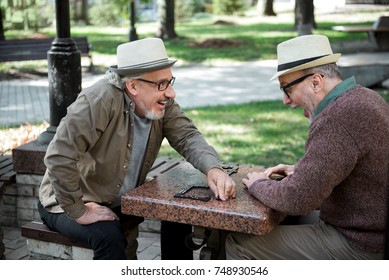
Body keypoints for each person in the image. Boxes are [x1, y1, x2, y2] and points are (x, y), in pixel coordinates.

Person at [38, 38, 236, 260]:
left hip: (116, 199)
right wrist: (79, 211)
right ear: (132, 86)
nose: (171, 93)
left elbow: (188, 136)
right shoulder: (99, 100)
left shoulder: (163, 103)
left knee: (178, 210)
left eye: (170, 81)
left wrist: (213, 168)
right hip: (64, 203)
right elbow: (58, 157)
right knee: (109, 237)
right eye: (161, 84)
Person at [226, 35, 389, 260]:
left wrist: (258, 184)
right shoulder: (366, 97)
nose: (286, 100)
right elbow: (352, 162)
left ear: (316, 82)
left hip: (363, 244)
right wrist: (303, 169)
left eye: (287, 89)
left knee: (239, 243)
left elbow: (298, 199)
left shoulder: (337, 117)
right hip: (369, 229)